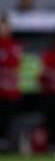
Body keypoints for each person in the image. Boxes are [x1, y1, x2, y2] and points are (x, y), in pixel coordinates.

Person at [0, 15, 22, 152]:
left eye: (5, 26)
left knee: (10, 119)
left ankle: (8, 143)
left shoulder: (15, 44)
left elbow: (15, 63)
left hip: (11, 91)